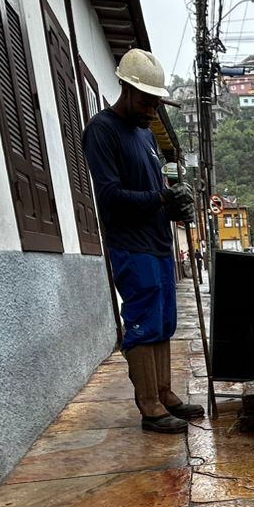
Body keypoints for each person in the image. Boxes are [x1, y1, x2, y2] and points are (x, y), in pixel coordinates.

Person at [83, 48, 202, 434]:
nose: (153, 109)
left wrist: (173, 207)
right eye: (148, 101)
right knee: (143, 324)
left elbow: (156, 194)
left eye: (156, 102)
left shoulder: (146, 134)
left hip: (158, 243)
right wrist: (161, 199)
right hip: (131, 246)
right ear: (127, 90)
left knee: (164, 321)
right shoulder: (102, 131)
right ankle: (149, 406)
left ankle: (164, 392)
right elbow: (110, 197)